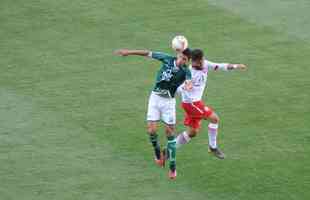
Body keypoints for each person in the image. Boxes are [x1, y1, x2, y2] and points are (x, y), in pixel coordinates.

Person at [115, 48, 192, 179]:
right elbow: (147, 53)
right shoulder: (167, 58)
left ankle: (172, 167)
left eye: (184, 59)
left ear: (187, 61)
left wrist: (187, 86)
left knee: (170, 133)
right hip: (155, 98)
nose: (181, 60)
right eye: (180, 57)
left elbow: (189, 82)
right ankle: (157, 151)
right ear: (177, 55)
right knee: (151, 131)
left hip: (168, 103)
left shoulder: (186, 71)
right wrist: (129, 52)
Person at [175, 49, 247, 159]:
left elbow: (221, 66)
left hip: (195, 103)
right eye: (198, 62)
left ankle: (169, 149)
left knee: (192, 133)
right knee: (214, 119)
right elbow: (178, 89)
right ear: (192, 62)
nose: (201, 63)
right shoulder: (189, 73)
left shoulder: (205, 64)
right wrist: (184, 88)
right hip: (191, 104)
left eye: (202, 60)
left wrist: (236, 66)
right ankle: (212, 147)